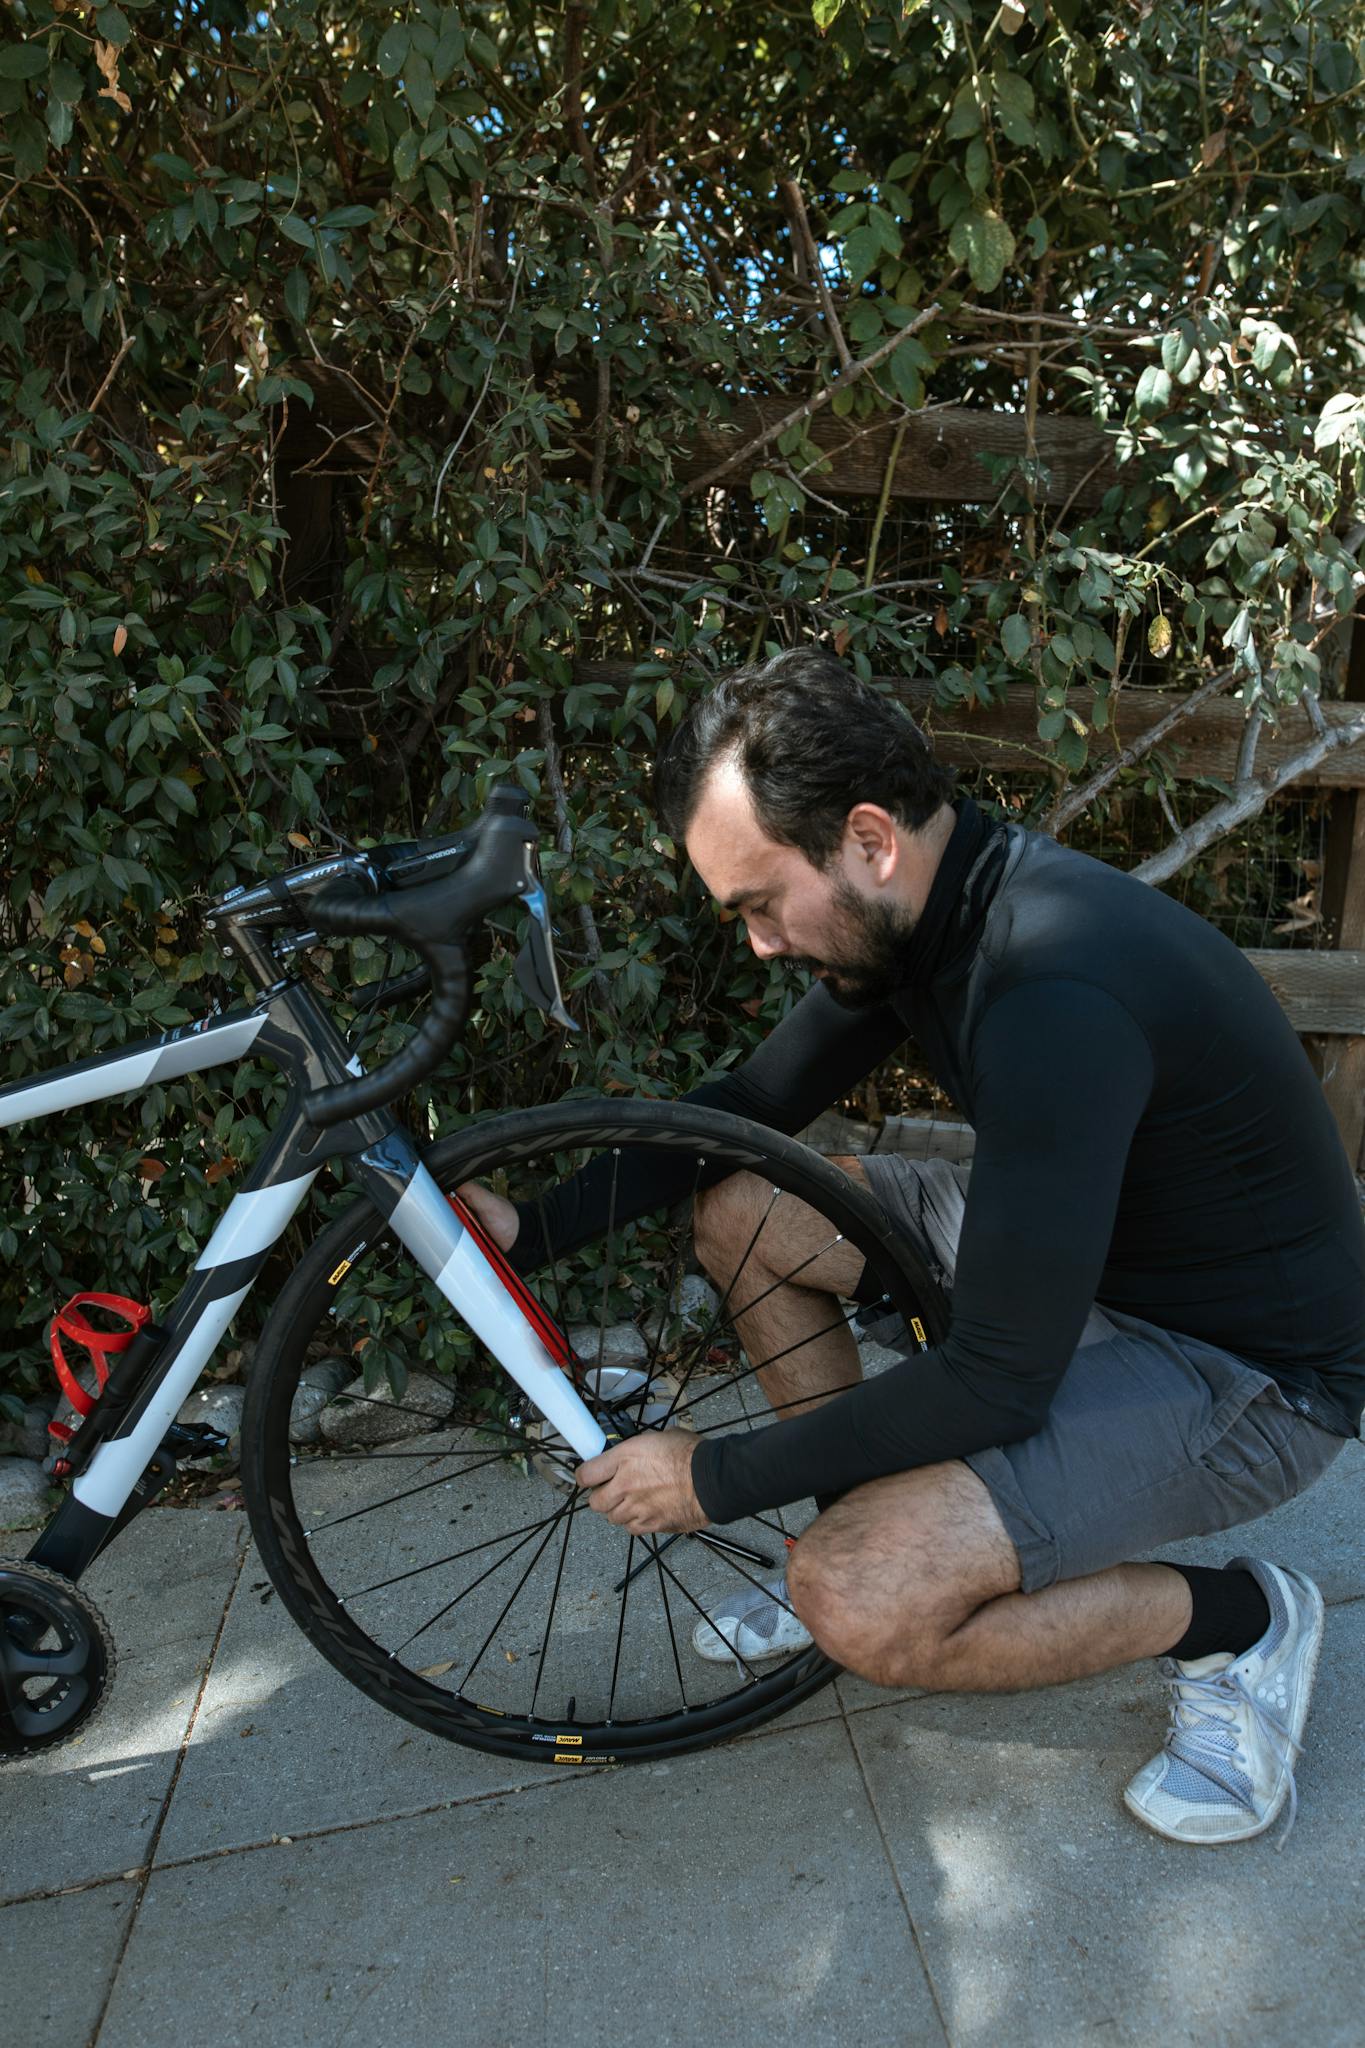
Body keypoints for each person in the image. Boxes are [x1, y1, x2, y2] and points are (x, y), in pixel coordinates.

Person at [459, 649, 1365, 1844]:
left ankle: (1240, 1621)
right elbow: (747, 1107)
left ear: (869, 839)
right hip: (1082, 1257)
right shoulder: (928, 909)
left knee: (862, 1601)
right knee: (746, 1204)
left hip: (1246, 1370)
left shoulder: (1053, 988)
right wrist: (541, 1225)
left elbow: (998, 1374)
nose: (761, 945)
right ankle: (848, 1532)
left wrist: (709, 1477)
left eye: (759, 901)